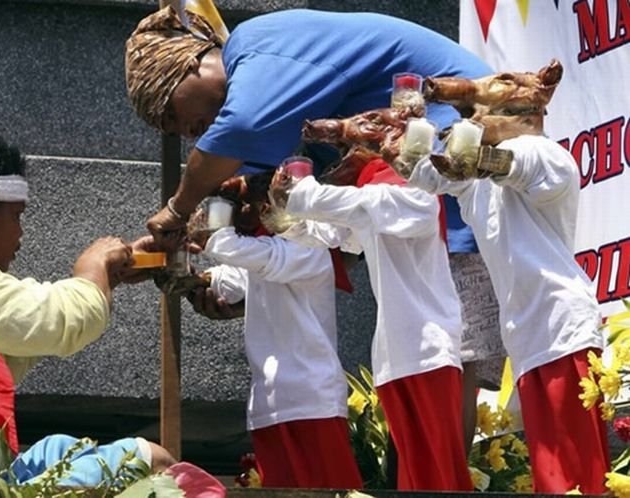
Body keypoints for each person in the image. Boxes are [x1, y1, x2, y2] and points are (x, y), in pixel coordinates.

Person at [124, 6, 505, 449]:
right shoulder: (274, 108)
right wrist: (241, 283)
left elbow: (241, 128)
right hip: (413, 174)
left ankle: (442, 481)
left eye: (170, 113)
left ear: (191, 66)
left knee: (443, 343)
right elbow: (313, 237)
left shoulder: (255, 47)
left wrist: (177, 209)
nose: (184, 133)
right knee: (424, 347)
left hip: (453, 149)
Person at [406, 63, 610, 493]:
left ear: (525, 113)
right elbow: (426, 174)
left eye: (481, 113)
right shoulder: (480, 183)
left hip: (561, 327)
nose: (472, 123)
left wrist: (466, 151)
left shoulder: (543, 153)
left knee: (575, 476)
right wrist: (401, 132)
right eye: (468, 117)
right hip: (531, 336)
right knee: (551, 472)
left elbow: (510, 165)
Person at [0, 136, 176, 482]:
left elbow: (26, 335)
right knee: (149, 457)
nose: (20, 234)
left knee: (58, 447)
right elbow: (57, 320)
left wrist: (106, 277)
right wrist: (96, 264)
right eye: (17, 216)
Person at [268, 158, 472, 491]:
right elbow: (329, 234)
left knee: (440, 473)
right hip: (394, 354)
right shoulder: (372, 198)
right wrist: (283, 216)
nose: (344, 155)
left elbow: (360, 205)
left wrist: (303, 191)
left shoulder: (415, 192)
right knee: (410, 475)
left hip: (429, 349)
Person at [185, 171, 363, 489]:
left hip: (312, 398)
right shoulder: (270, 250)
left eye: (248, 205)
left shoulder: (310, 248)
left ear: (269, 206)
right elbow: (231, 279)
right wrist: (188, 278)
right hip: (268, 402)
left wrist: (218, 210)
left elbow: (239, 251)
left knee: (333, 493)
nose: (245, 216)